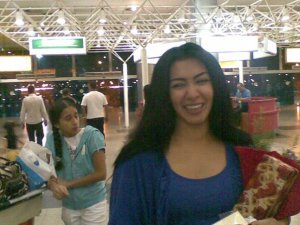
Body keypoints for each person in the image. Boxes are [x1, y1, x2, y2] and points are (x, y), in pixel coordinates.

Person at [108, 43, 300, 225]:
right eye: (178, 85)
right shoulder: (137, 163)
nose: (192, 93)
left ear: (215, 87)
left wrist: (280, 221)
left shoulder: (242, 151)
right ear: (164, 93)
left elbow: (268, 209)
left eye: (201, 81)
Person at [46, 98, 107, 225]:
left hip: (94, 205)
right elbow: (48, 172)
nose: (75, 121)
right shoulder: (52, 140)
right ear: (57, 124)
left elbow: (101, 173)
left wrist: (68, 184)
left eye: (76, 116)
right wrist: (53, 186)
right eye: (68, 118)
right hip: (69, 206)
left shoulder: (92, 136)